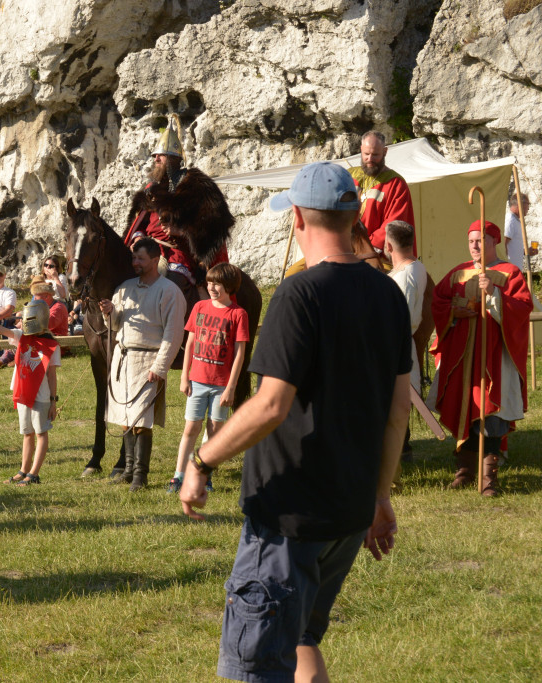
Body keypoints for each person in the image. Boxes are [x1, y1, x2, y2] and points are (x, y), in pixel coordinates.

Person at [180, 161, 411, 682]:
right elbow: (399, 411)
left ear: (300, 218)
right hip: (348, 512)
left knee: (255, 666)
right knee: (302, 639)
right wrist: (379, 496)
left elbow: (270, 404)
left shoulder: (299, 294)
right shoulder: (388, 295)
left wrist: (202, 461)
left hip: (289, 515)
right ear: (354, 217)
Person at [428, 219, 531, 496]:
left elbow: (522, 308)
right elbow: (438, 302)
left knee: (492, 411)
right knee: (466, 410)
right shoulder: (457, 273)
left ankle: (489, 480)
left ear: (493, 242)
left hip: (495, 358)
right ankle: (465, 470)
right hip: (463, 359)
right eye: (471, 240)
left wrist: (495, 292)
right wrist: (453, 311)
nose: (474, 246)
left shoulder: (510, 273)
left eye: (480, 241)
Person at [98, 238, 186, 491]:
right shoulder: (124, 288)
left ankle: (140, 475)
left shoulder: (169, 291)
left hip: (148, 360)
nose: (135, 263)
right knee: (126, 417)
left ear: (155, 260)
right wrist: (109, 312)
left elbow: (173, 333)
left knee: (142, 419)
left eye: (140, 259)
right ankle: (127, 469)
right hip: (124, 359)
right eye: (134, 258)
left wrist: (160, 367)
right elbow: (115, 326)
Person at [124, 114, 234, 304]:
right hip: (145, 252)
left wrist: (181, 231)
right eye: (155, 156)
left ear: (174, 158)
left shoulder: (196, 184)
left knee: (170, 283)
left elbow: (215, 223)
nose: (155, 158)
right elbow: (138, 222)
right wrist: (138, 236)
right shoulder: (151, 188)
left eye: (160, 155)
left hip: (179, 254)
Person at [168, 262, 250, 494]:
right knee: (190, 429)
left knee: (214, 433)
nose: (212, 287)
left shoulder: (238, 314)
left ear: (230, 286)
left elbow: (240, 352)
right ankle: (178, 476)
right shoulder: (200, 307)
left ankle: (203, 475)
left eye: (218, 284)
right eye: (210, 283)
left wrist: (231, 387)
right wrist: (185, 376)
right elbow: (191, 342)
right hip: (198, 381)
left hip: (221, 385)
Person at [0, 299, 60, 486]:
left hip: (41, 395)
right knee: (27, 433)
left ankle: (34, 474)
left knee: (40, 432)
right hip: (23, 391)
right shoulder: (21, 336)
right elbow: (2, 331)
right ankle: (23, 471)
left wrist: (53, 401)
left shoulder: (52, 344)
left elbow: (52, 375)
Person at [384, 220, 428, 463]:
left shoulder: (406, 276)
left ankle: (399, 457)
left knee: (394, 405)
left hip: (395, 348)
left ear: (388, 245)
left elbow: (403, 320)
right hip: (397, 346)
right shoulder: (413, 269)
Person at [347, 131, 416, 254]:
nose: (370, 159)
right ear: (361, 149)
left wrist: (365, 247)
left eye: (375, 155)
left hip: (374, 253)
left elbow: (394, 222)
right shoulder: (348, 176)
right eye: (366, 154)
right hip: (343, 247)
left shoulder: (396, 184)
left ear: (385, 152)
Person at [0, 276, 67, 369]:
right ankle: (6, 360)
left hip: (54, 342)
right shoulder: (43, 307)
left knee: (23, 336)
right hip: (44, 339)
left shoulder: (58, 307)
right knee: (20, 334)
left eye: (36, 295)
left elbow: (45, 325)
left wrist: (27, 322)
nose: (34, 299)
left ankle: (0, 362)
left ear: (47, 296)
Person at [504, 192, 535, 271]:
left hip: (515, 270)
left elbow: (513, 248)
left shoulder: (515, 220)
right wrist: (506, 266)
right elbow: (503, 243)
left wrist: (526, 251)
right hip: (510, 270)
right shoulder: (510, 220)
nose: (528, 208)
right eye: (528, 204)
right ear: (521, 204)